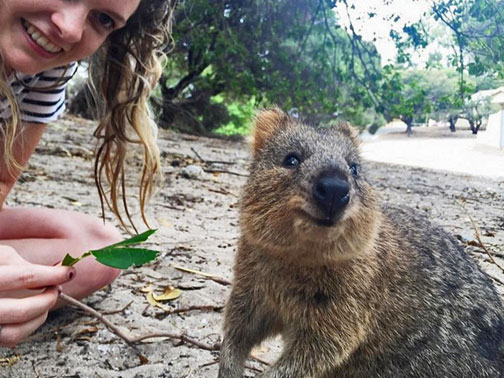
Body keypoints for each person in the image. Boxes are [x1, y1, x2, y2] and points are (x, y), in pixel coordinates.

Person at [0, 0, 174, 347]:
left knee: (104, 248)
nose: (69, 28)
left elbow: (2, 180)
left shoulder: (44, 69)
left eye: (104, 18)